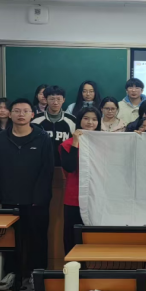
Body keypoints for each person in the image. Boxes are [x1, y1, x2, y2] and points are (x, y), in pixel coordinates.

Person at [0, 98, 54, 286]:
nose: (21, 114)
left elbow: (47, 170)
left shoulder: (42, 138)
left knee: (37, 238)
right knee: (10, 238)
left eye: (25, 111)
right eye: (16, 110)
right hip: (9, 197)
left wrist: (40, 196)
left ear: (32, 114)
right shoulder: (0, 138)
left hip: (36, 200)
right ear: (10, 114)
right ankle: (12, 272)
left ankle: (37, 273)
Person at [60, 107, 101, 254]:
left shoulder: (104, 143)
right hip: (74, 198)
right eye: (86, 118)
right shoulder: (67, 144)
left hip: (98, 198)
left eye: (94, 119)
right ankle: (72, 265)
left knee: (95, 236)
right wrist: (76, 143)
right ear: (79, 120)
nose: (90, 122)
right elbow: (69, 167)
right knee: (72, 236)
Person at [31, 86, 77, 167]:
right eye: (52, 99)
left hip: (64, 165)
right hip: (41, 164)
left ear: (63, 100)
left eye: (59, 99)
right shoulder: (36, 120)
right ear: (46, 100)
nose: (55, 102)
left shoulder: (72, 120)